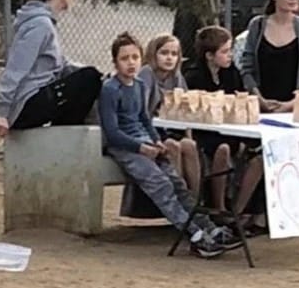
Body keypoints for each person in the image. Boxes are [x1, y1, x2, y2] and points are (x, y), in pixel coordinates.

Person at [99, 31, 241, 259]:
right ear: (115, 61)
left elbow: (144, 119)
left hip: (147, 142)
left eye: (135, 57)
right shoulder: (110, 89)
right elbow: (113, 132)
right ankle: (194, 235)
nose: (131, 63)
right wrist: (141, 148)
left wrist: (156, 141)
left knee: (178, 184)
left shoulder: (139, 85)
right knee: (161, 185)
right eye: (125, 58)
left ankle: (208, 227)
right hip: (126, 148)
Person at [0, 0, 102, 137]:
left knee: (92, 77)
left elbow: (61, 65)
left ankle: (64, 137)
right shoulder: (40, 25)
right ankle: (62, 137)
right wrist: (2, 113)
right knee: (89, 79)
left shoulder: (46, 23)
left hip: (36, 98)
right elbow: (15, 68)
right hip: (26, 105)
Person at [183, 26, 264, 233]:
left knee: (260, 154)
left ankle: (238, 209)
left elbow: (240, 98)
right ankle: (218, 208)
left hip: (232, 130)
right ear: (210, 56)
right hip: (206, 133)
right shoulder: (193, 77)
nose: (230, 55)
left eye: (230, 50)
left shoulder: (231, 72)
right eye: (225, 51)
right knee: (223, 148)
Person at [119, 34, 201, 219]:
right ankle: (177, 202)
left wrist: (189, 135)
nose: (169, 58)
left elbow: (186, 109)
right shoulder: (146, 74)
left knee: (189, 145)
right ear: (153, 54)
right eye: (164, 53)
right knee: (172, 146)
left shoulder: (177, 77)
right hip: (147, 132)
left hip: (170, 129)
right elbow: (141, 112)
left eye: (174, 54)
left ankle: (194, 202)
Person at [239, 0, 299, 113]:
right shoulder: (257, 25)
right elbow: (247, 68)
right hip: (259, 108)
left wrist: (292, 103)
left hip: (293, 111)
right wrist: (259, 99)